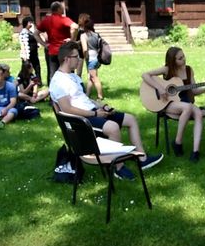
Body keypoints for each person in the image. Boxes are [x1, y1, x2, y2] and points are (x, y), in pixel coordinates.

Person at [50, 41, 163, 180]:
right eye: (76, 56)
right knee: (113, 128)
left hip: (91, 112)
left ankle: (142, 159)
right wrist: (95, 113)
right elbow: (68, 109)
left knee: (131, 119)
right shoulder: (58, 82)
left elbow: (83, 99)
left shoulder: (73, 76)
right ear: (66, 59)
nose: (79, 59)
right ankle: (118, 168)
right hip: (80, 121)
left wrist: (100, 106)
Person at [142, 46, 205, 163]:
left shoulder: (189, 70)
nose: (184, 59)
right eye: (180, 58)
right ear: (173, 61)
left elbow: (194, 91)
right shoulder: (167, 70)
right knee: (188, 107)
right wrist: (160, 88)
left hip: (185, 103)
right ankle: (178, 142)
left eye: (184, 56)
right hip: (167, 104)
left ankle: (195, 151)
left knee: (197, 113)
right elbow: (145, 75)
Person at [34, 1, 79, 85]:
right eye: (62, 8)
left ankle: (53, 95)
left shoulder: (46, 20)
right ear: (58, 9)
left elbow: (36, 33)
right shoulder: (63, 19)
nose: (63, 9)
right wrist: (72, 40)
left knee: (53, 74)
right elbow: (75, 26)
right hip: (64, 51)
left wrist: (44, 44)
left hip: (52, 51)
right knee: (68, 73)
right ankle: (70, 92)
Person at [80, 18, 104, 100]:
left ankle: (100, 96)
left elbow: (85, 49)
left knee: (94, 78)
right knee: (90, 77)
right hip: (97, 58)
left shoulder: (83, 36)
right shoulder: (96, 35)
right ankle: (87, 94)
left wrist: (86, 58)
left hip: (90, 58)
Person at [19, 16, 42, 85]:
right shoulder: (23, 32)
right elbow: (23, 44)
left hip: (34, 54)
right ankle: (26, 82)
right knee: (27, 69)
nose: (31, 24)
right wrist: (25, 56)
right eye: (30, 22)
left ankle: (38, 82)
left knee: (37, 68)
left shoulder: (31, 32)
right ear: (26, 23)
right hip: (28, 55)